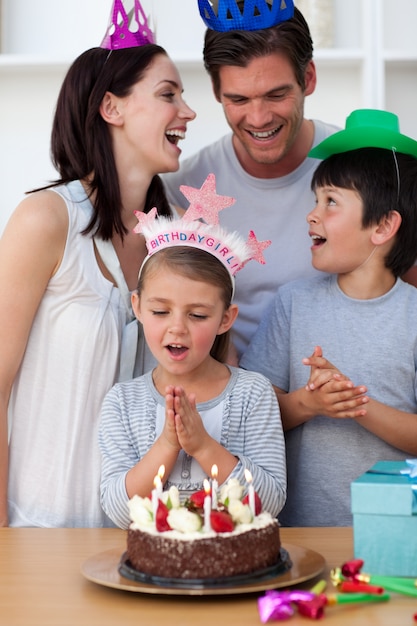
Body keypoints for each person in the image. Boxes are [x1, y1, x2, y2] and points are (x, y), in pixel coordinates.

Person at [0, 9, 196, 527]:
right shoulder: (47, 220)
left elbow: (212, 373)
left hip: (144, 538)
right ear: (112, 106)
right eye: (168, 94)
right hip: (36, 530)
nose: (189, 111)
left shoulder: (178, 232)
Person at [240, 108, 417, 527]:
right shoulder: (293, 304)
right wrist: (309, 403)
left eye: (331, 201)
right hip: (300, 534)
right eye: (315, 200)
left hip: (395, 537)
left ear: (384, 226)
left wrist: (354, 404)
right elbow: (249, 416)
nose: (312, 214)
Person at [98, 188, 286, 530]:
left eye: (197, 315)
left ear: (225, 319)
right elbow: (119, 511)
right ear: (138, 307)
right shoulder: (123, 403)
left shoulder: (253, 394)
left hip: (234, 575)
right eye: (160, 311)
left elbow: (270, 502)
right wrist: (169, 444)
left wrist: (201, 443)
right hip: (151, 578)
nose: (177, 328)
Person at [162, 1, 339, 357]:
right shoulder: (179, 189)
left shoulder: (362, 169)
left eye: (276, 95)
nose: (258, 119)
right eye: (238, 99)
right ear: (216, 93)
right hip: (229, 404)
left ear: (308, 79)